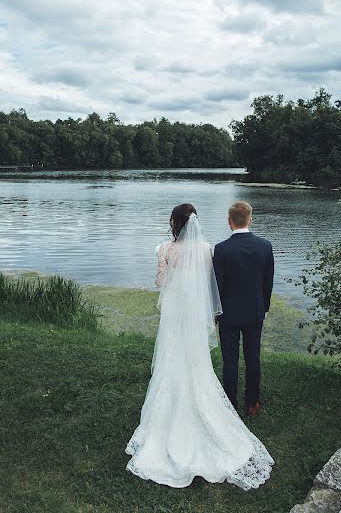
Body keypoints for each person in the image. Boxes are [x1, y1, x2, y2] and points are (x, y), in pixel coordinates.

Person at [125, 203, 274, 490]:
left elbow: (160, 282)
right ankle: (247, 402)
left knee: (173, 357)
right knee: (204, 361)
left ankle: (218, 403)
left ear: (174, 223)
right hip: (201, 314)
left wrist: (174, 277)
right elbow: (211, 285)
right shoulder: (208, 250)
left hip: (175, 313)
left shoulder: (165, 250)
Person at [213, 201, 274, 415]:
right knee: (253, 357)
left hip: (228, 314)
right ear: (250, 219)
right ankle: (252, 403)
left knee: (230, 360)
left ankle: (230, 404)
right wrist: (264, 308)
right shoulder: (265, 246)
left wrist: (215, 312)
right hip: (255, 312)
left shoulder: (221, 249)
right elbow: (268, 282)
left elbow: (217, 285)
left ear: (229, 222)